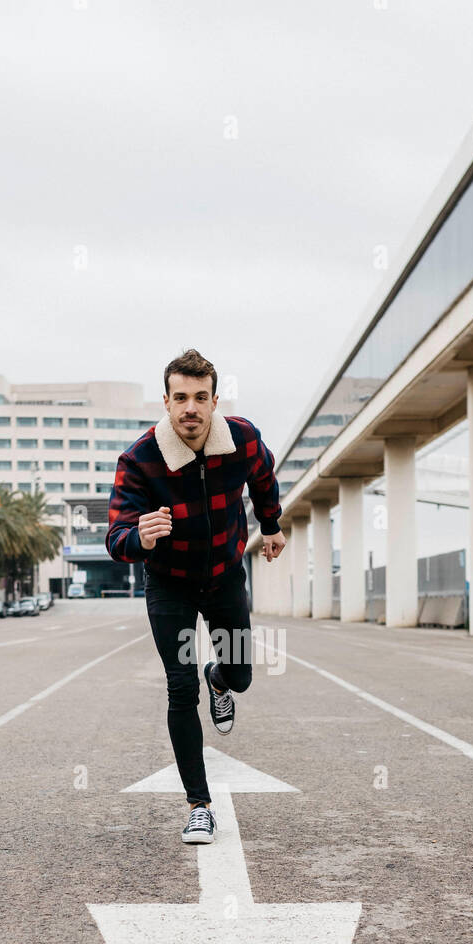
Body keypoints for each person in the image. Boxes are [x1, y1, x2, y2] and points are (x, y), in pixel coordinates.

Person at [105, 347, 286, 844]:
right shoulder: (140, 459)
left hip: (225, 575)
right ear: (165, 402)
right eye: (180, 397)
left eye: (200, 397)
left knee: (242, 676)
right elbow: (115, 535)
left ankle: (220, 679)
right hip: (171, 584)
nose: (191, 408)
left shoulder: (242, 439)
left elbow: (265, 478)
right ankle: (199, 806)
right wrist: (138, 538)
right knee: (180, 687)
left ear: (214, 401)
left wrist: (270, 526)